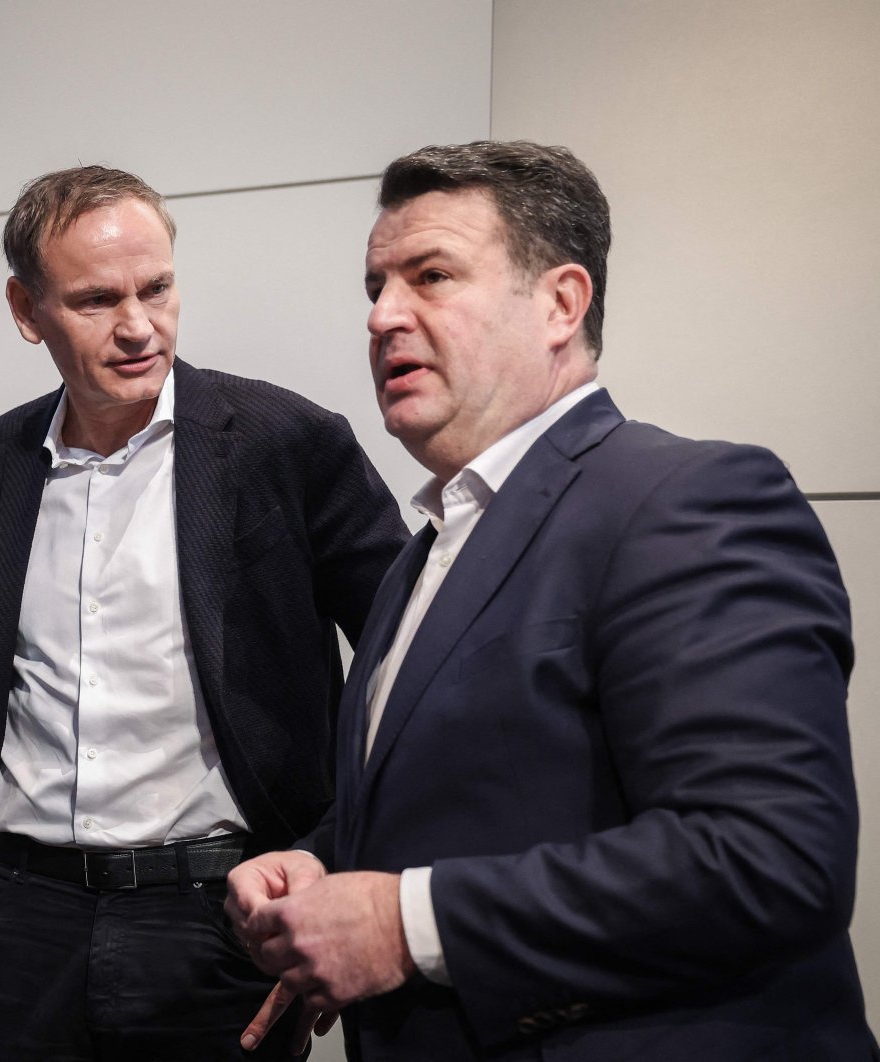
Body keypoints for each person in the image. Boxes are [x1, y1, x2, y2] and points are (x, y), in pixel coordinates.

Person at [226, 140, 877, 1059]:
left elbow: (769, 856)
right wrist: (323, 862)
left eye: (431, 276)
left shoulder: (683, 499)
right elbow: (482, 790)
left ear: (561, 304)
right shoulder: (423, 555)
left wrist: (404, 922)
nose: (381, 316)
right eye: (374, 287)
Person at [0, 165, 409, 1060]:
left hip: (219, 917)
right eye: (95, 300)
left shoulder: (288, 443)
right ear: (26, 309)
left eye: (156, 288)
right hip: (17, 923)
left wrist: (327, 859)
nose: (138, 327)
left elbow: (407, 669)